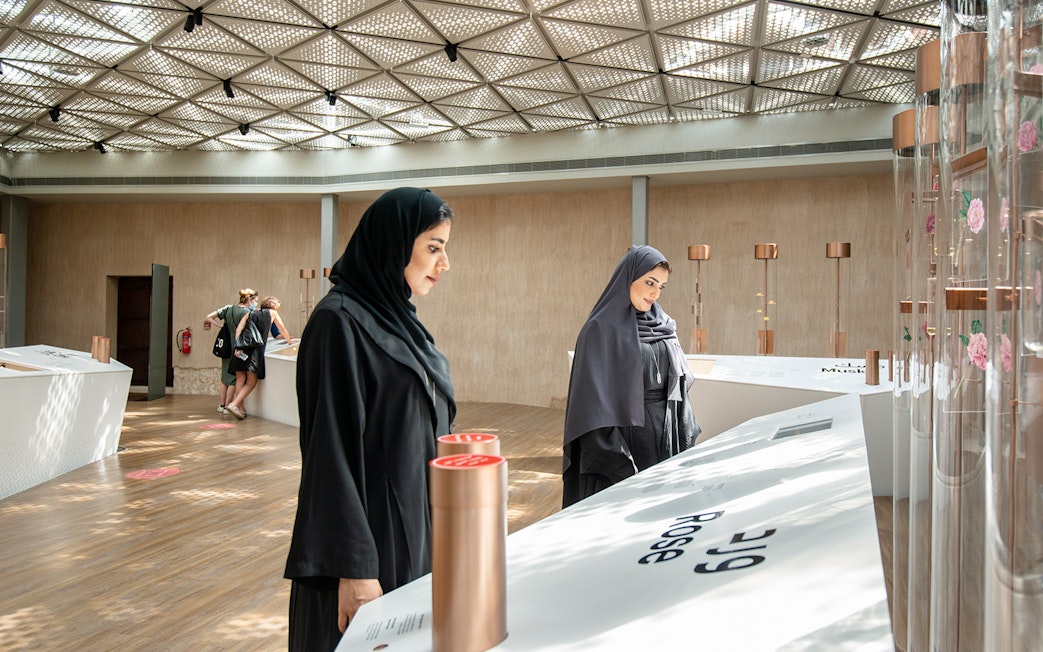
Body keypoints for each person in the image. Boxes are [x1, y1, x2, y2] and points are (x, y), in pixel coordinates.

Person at [284, 187, 456, 651]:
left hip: (413, 532)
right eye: (433, 248)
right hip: (367, 553)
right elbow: (329, 453)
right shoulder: (337, 323)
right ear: (393, 242)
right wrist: (355, 568)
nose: (444, 263)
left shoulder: (401, 322)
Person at [561, 245, 701, 508]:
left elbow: (679, 386)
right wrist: (620, 466)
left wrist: (683, 435)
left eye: (661, 286)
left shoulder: (663, 325)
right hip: (627, 444)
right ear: (628, 277)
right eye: (650, 282)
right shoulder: (599, 330)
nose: (655, 293)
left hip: (667, 436)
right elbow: (592, 407)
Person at [225, 296, 291, 419]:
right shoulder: (272, 313)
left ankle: (241, 409)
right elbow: (282, 329)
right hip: (254, 351)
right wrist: (289, 341)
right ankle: (234, 404)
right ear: (274, 306)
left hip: (241, 350)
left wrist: (238, 346)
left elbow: (239, 328)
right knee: (251, 382)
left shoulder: (250, 313)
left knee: (240, 379)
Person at [202, 288, 256, 414]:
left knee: (224, 377)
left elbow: (208, 318)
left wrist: (220, 326)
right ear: (250, 300)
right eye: (255, 301)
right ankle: (228, 406)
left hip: (225, 345)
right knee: (234, 378)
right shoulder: (246, 312)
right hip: (238, 345)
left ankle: (221, 405)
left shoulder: (228, 308)